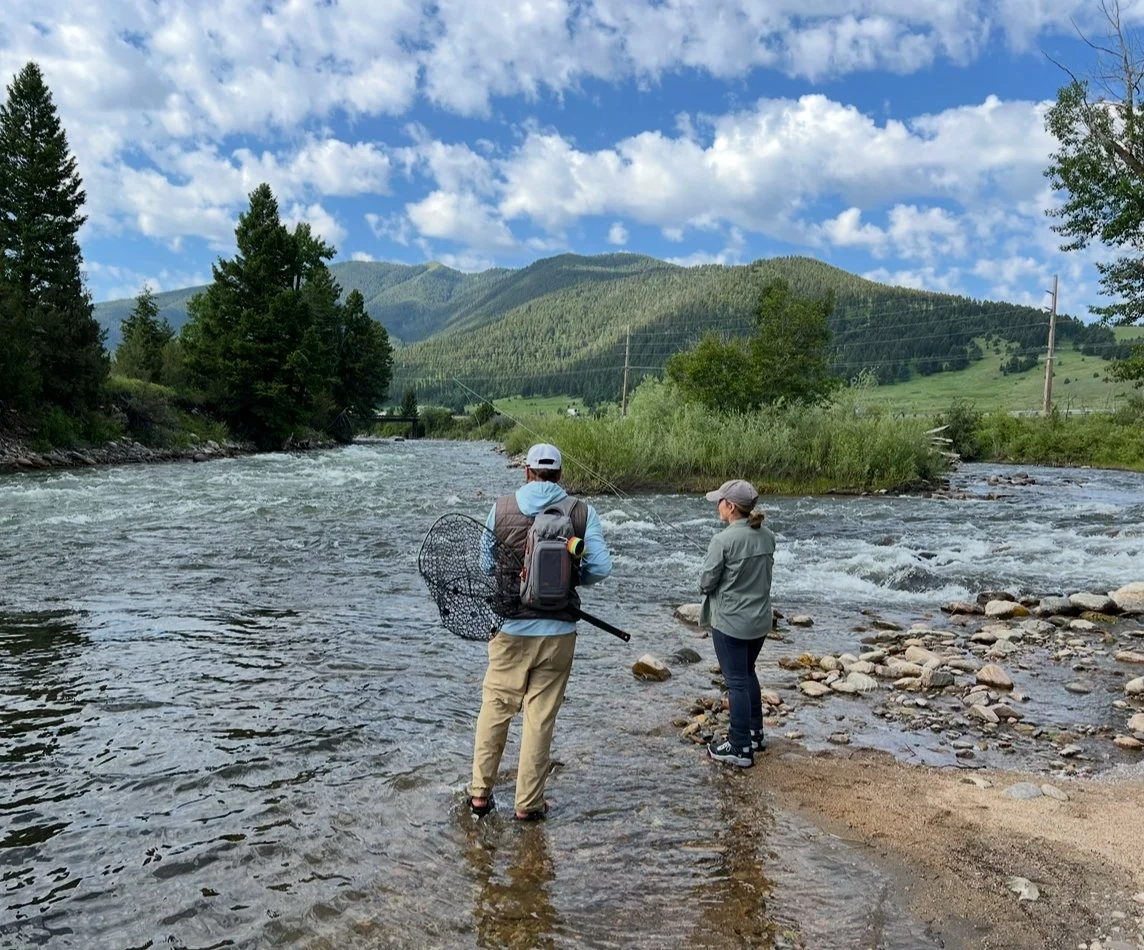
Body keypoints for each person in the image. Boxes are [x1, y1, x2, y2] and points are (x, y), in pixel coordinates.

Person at [468, 443, 613, 820]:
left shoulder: (500, 508)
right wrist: (570, 576)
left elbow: (485, 566)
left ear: (527, 472)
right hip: (559, 631)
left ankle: (480, 796)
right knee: (540, 718)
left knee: (495, 710)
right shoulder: (582, 512)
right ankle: (528, 805)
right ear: (561, 475)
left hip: (509, 627)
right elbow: (601, 568)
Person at [698, 479, 776, 768]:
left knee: (737, 682)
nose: (717, 505)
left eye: (719, 501)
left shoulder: (723, 541)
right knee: (748, 672)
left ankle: (740, 746)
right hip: (759, 622)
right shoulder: (767, 536)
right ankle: (755, 733)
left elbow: (707, 582)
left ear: (730, 507)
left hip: (731, 623)